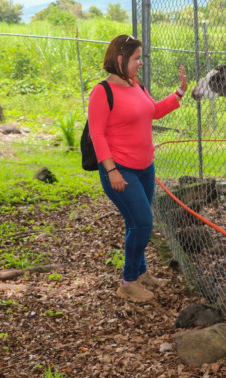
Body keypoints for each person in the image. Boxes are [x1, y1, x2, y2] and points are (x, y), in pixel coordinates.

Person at [87, 34, 187, 303]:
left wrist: (178, 93)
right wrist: (112, 171)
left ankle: (141, 273)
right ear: (120, 60)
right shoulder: (102, 92)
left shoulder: (136, 85)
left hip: (145, 167)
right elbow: (97, 135)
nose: (140, 63)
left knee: (136, 223)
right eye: (136, 58)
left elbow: (152, 111)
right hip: (120, 169)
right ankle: (128, 281)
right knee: (143, 223)